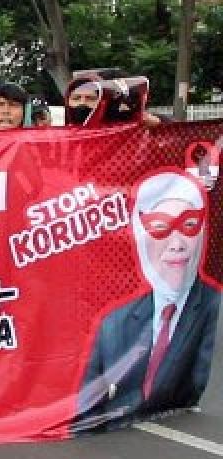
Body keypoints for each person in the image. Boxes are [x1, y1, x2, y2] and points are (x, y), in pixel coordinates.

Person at [75, 172, 220, 432]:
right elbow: (85, 408)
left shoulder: (210, 305)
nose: (176, 244)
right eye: (160, 227)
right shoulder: (113, 323)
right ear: (140, 236)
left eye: (189, 225)